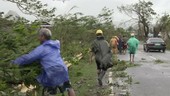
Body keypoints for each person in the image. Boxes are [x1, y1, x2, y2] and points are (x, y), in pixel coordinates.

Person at [12, 28, 76, 96]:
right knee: (68, 87)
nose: (38, 38)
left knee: (50, 92)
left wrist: (13, 62)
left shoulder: (42, 48)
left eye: (39, 36)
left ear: (43, 37)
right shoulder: (55, 46)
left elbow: (28, 58)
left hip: (52, 71)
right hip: (62, 69)